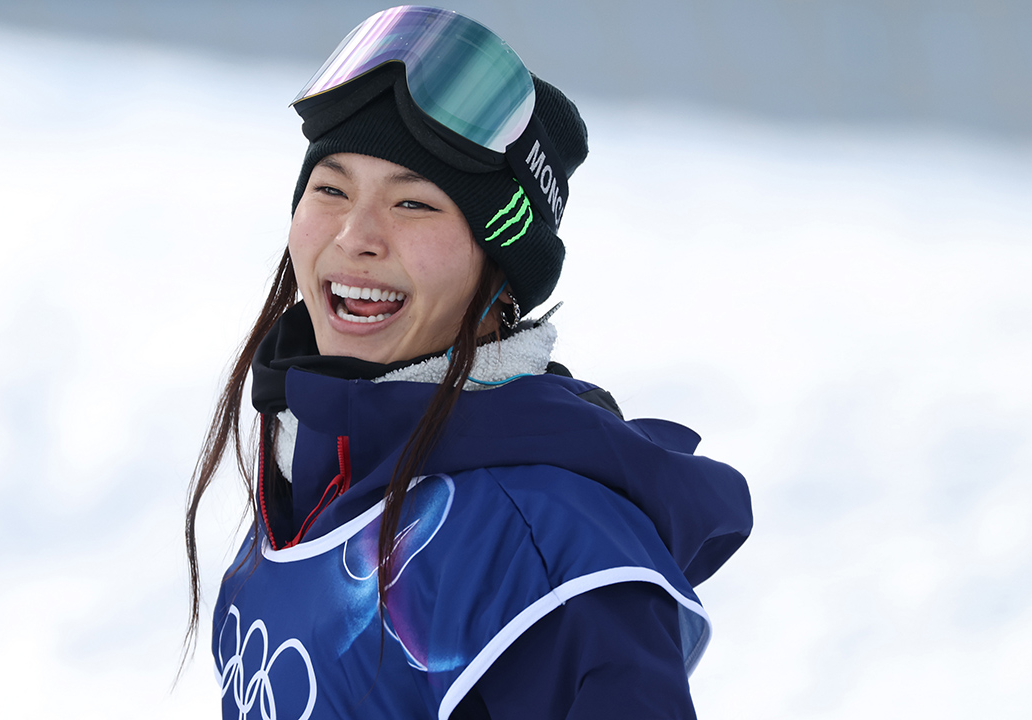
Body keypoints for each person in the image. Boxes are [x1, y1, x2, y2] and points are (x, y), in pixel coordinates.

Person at [184, 6, 752, 719]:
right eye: (331, 189)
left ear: (502, 269)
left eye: (415, 204)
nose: (357, 236)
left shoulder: (551, 553)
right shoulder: (313, 482)